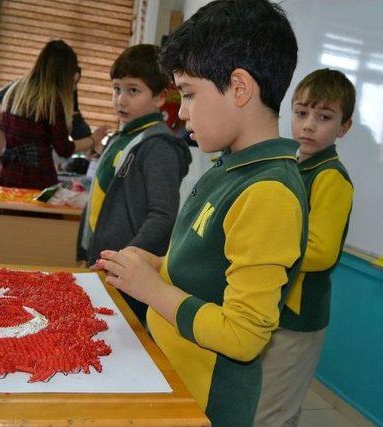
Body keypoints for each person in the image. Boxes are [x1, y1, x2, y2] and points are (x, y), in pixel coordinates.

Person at [94, 1, 308, 425]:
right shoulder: (229, 167)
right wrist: (153, 264)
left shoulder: (269, 193)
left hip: (205, 404)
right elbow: (207, 272)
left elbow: (244, 336)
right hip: (173, 378)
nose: (183, 111)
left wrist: (152, 290)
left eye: (189, 94)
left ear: (240, 88)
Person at [255, 68, 355, 427]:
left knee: (274, 412)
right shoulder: (294, 166)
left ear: (343, 128)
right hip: (274, 307)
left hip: (298, 318)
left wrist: (261, 251)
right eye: (301, 113)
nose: (309, 125)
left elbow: (321, 251)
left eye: (324, 117)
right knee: (260, 404)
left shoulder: (330, 176)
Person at [78, 44, 190, 324]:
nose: (121, 100)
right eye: (117, 89)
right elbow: (97, 203)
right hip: (105, 266)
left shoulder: (158, 147)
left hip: (129, 274)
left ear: (161, 97)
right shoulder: (120, 139)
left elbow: (162, 217)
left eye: (133, 90)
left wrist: (125, 260)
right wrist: (82, 250)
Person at [0, 40, 107, 190]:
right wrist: (93, 138)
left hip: (8, 174)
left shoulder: (16, 90)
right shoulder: (52, 102)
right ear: (65, 73)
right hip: (36, 179)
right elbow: (64, 149)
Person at [0, 69, 93, 185]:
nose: (73, 87)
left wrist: (93, 143)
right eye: (70, 81)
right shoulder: (27, 86)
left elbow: (77, 126)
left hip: (21, 150)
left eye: (76, 83)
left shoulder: (65, 99)